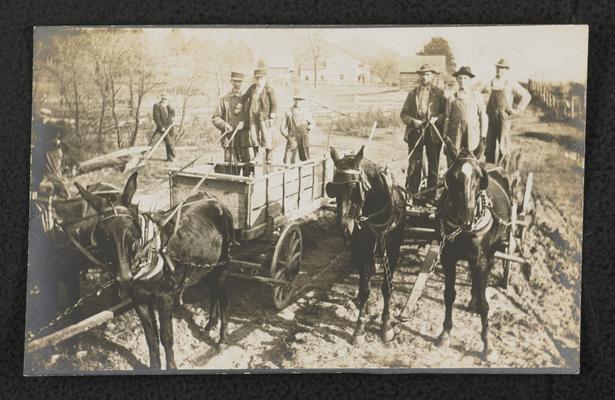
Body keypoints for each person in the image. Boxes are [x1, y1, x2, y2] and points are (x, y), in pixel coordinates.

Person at [400, 63, 446, 200]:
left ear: (432, 76)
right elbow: (403, 114)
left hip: (433, 132)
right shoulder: (412, 93)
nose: (425, 77)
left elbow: (445, 114)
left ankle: (430, 196)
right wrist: (414, 122)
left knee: (433, 165)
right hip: (416, 132)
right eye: (422, 74)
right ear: (419, 76)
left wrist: (437, 119)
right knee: (415, 164)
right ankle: (412, 195)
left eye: (428, 74)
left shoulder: (439, 93)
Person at [483, 58, 532, 165]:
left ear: (506, 70)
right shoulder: (491, 82)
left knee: (503, 147)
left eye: (501, 68)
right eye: (497, 67)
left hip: (504, 119)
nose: (499, 70)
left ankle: (502, 173)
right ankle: (489, 171)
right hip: (491, 119)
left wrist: (517, 110)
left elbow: (527, 96)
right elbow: (477, 91)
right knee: (489, 146)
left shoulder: (510, 82)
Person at [443, 66, 489, 164]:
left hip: (472, 135)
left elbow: (483, 116)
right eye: (460, 78)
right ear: (457, 80)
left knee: (471, 163)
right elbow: (447, 117)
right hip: (455, 135)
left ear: (469, 80)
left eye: (465, 78)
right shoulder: (451, 97)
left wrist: (483, 135)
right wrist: (445, 135)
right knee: (454, 162)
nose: (462, 81)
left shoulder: (476, 96)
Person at [238, 68, 278, 164]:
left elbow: (274, 103)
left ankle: (269, 157)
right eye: (257, 79)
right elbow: (244, 97)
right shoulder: (252, 88)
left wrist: (272, 117)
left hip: (263, 115)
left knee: (266, 135)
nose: (259, 81)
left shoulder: (269, 89)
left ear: (265, 79)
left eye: (261, 78)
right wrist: (240, 105)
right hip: (252, 114)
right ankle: (256, 156)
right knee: (254, 135)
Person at [212, 72, 249, 174]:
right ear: (231, 82)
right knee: (230, 169)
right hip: (229, 140)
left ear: (243, 82)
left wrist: (245, 123)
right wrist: (224, 125)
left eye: (239, 82)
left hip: (244, 141)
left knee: (248, 168)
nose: (237, 84)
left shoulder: (248, 99)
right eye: (235, 81)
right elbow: (215, 117)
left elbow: (253, 117)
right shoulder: (224, 99)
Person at [31, 108, 70, 199]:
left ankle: (65, 193)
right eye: (41, 115)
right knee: (47, 173)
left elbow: (64, 130)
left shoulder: (52, 126)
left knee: (54, 174)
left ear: (48, 116)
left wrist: (59, 140)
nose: (42, 117)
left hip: (53, 152)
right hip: (44, 151)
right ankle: (55, 193)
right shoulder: (38, 125)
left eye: (44, 115)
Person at [280, 90, 315, 164]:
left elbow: (312, 123)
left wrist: (310, 127)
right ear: (294, 100)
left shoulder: (306, 111)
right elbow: (282, 127)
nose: (298, 102)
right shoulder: (288, 112)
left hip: (304, 137)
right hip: (292, 137)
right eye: (296, 99)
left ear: (302, 101)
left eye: (300, 100)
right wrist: (287, 136)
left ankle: (306, 172)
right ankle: (287, 171)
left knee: (305, 156)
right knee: (289, 157)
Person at [152, 94, 177, 162]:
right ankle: (173, 155)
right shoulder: (156, 106)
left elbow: (173, 112)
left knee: (171, 142)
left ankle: (170, 158)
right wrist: (161, 127)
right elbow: (156, 118)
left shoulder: (168, 105)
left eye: (166, 99)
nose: (165, 100)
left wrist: (173, 118)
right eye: (164, 98)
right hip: (162, 127)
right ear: (161, 99)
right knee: (168, 142)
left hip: (170, 127)